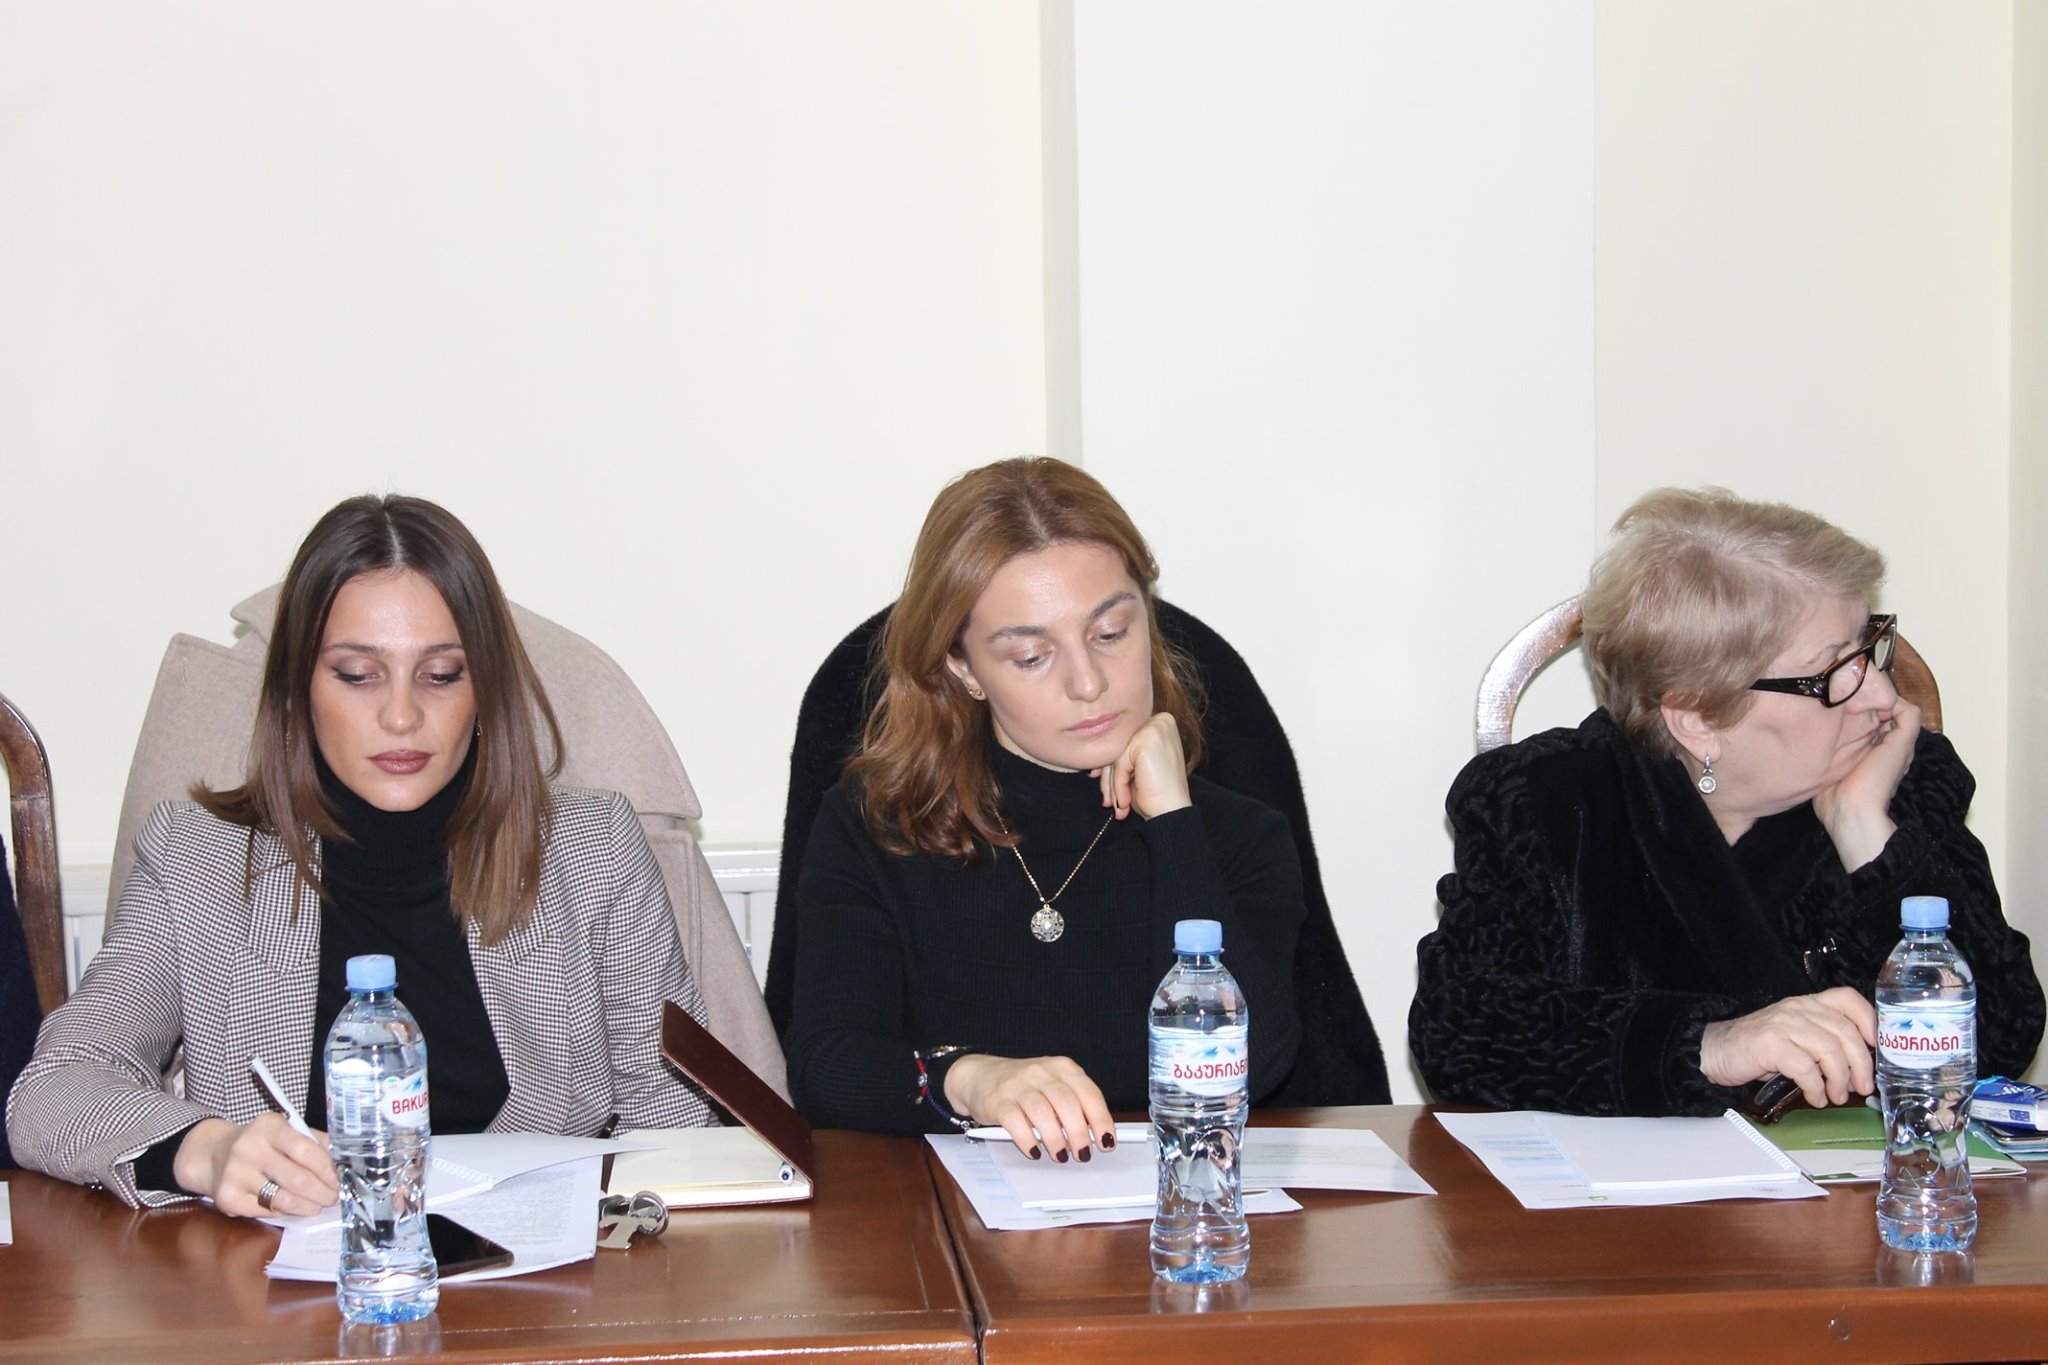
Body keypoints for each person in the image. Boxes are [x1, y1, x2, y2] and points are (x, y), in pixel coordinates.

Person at [6, 495, 713, 1213]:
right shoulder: (197, 859)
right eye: (357, 674)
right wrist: (208, 1150)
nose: (402, 716)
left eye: (441, 674)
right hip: (285, 1277)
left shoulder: (593, 849)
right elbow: (53, 1089)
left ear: (485, 693)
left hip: (550, 1272)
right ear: (298, 690)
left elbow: (679, 1118)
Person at [1412, 488, 2044, 1117]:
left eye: (1868, 647)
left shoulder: (1898, 778)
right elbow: (1463, 1036)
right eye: (1834, 673)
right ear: (1698, 719)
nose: (1882, 696)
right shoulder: (1545, 799)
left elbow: (2002, 1036)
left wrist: (1864, 833)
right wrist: (1709, 1045)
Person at [786, 457, 1306, 1160]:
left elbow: (1260, 1065)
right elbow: (825, 1064)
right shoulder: (876, 826)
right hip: (947, 1213)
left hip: (1175, 1208)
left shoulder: (1238, 834)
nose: (1089, 682)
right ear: (962, 668)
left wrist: (1175, 826)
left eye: (1111, 633)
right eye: (1032, 656)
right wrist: (971, 1078)